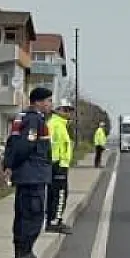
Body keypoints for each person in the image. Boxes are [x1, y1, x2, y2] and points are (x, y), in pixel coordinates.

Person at [2, 87, 54, 258]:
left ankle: (23, 253)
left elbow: (12, 143)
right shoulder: (33, 120)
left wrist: (9, 165)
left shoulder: (23, 117)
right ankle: (25, 254)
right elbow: (25, 146)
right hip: (33, 174)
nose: (50, 105)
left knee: (25, 214)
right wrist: (14, 165)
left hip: (29, 174)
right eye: (48, 101)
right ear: (38, 102)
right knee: (33, 214)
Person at [45, 99, 75, 234]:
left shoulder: (61, 124)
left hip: (60, 164)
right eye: (66, 110)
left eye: (70, 110)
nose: (69, 113)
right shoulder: (54, 124)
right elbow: (49, 145)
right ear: (58, 110)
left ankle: (55, 220)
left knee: (57, 194)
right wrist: (55, 162)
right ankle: (54, 222)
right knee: (59, 194)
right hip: (57, 165)